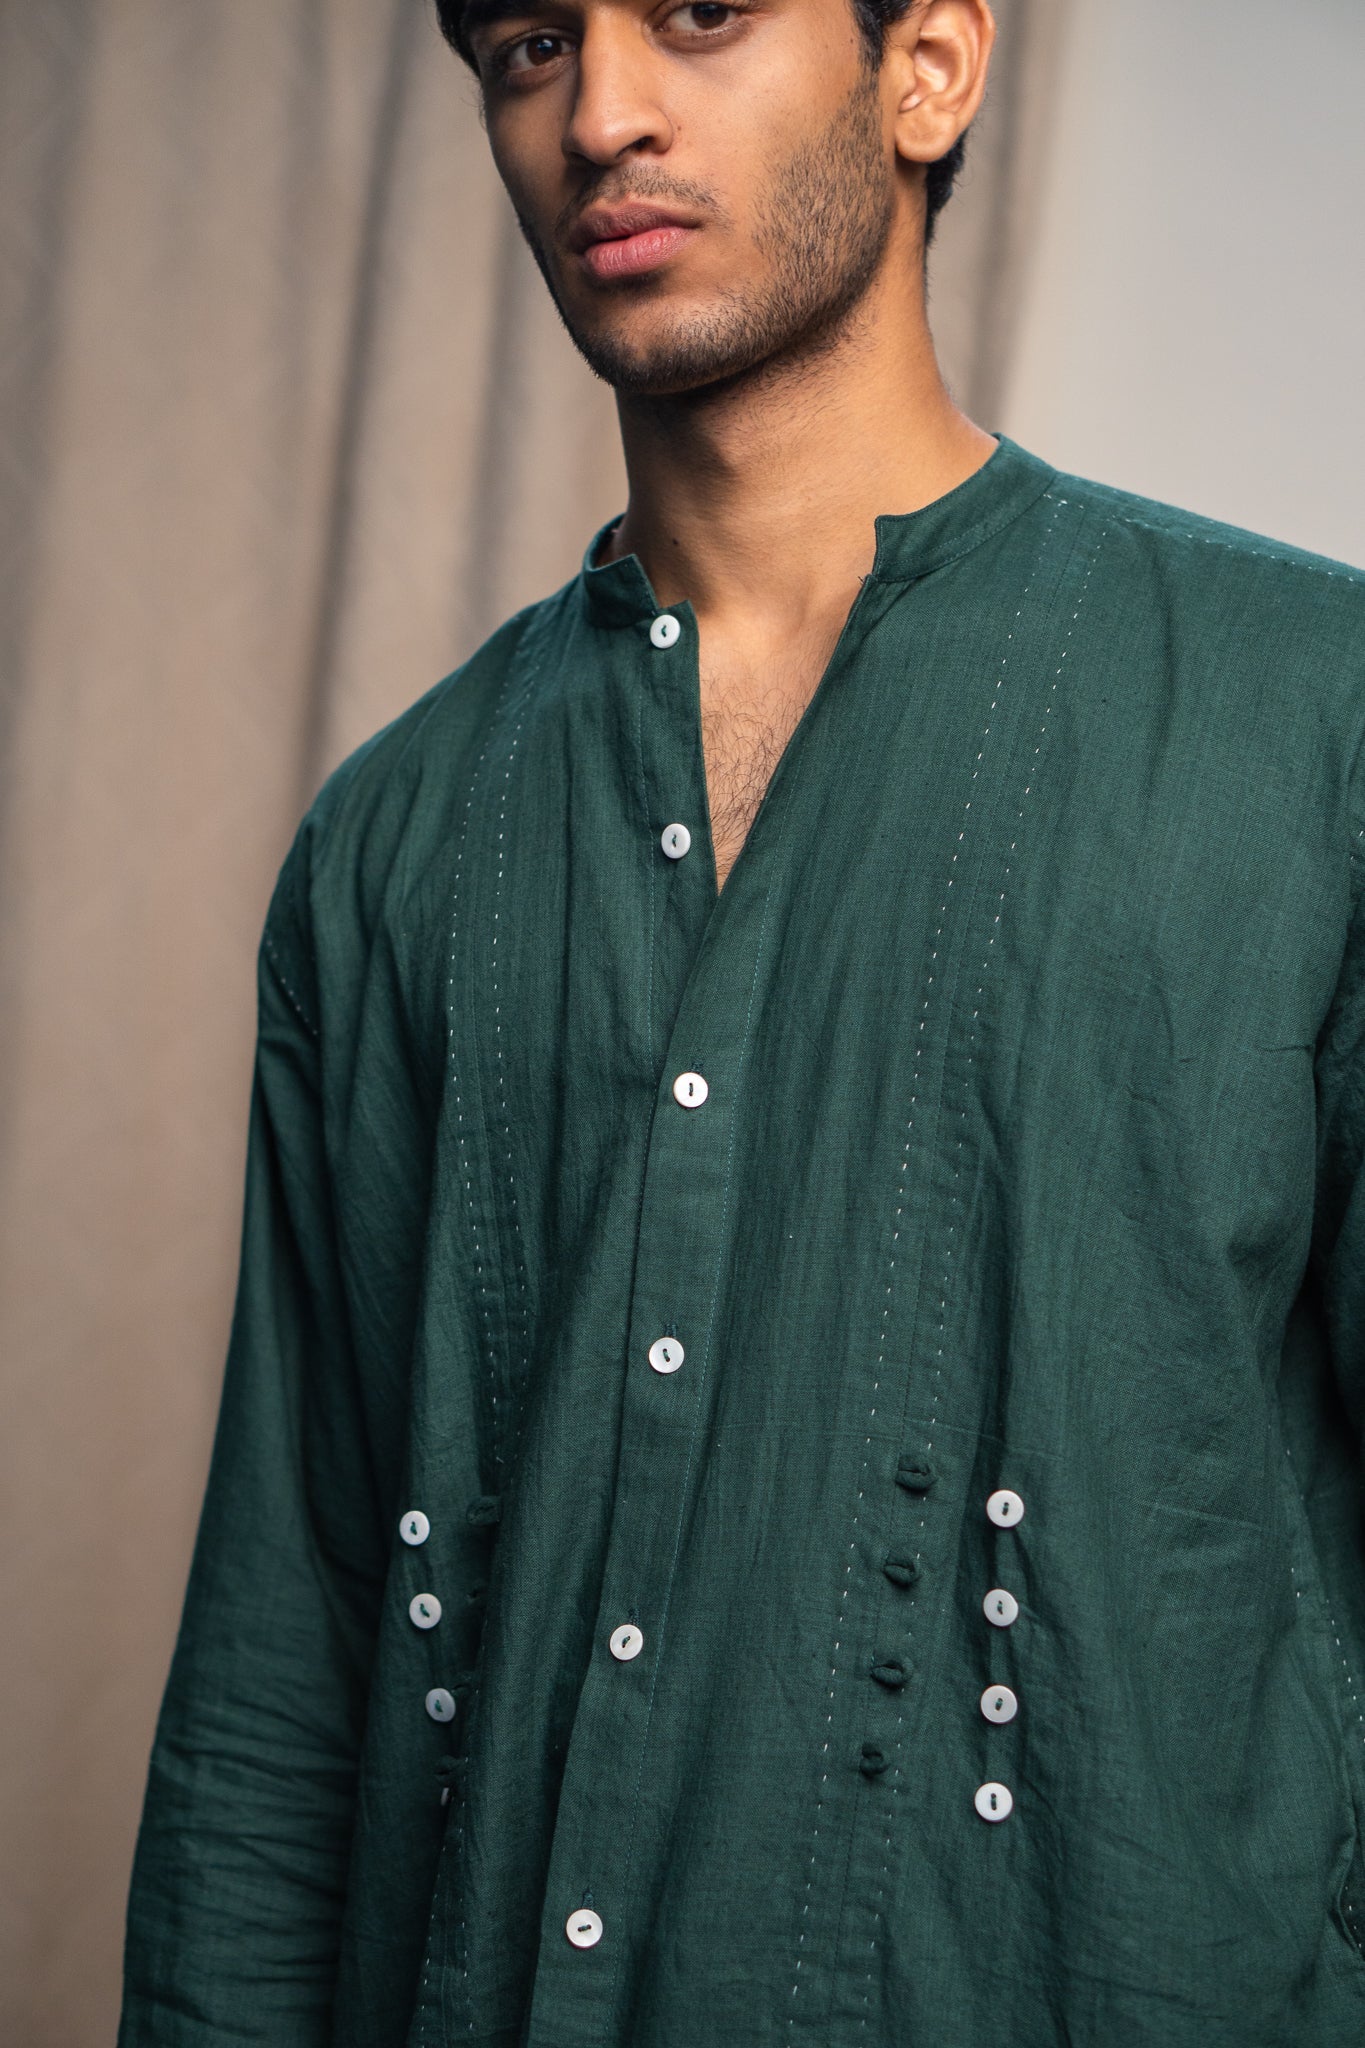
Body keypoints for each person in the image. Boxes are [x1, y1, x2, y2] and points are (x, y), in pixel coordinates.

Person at [117, 0, 1365, 2039]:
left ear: (926, 67)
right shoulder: (393, 842)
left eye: (698, 14)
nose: (600, 113)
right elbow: (287, 1671)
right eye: (531, 45)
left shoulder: (1306, 728)